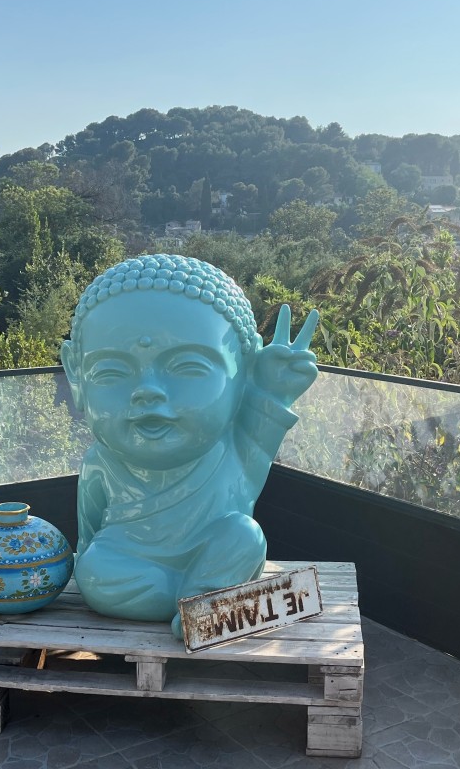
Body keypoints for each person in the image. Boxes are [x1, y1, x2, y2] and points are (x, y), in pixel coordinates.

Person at [61, 254, 318, 636]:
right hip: (127, 559)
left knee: (244, 536)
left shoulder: (232, 448)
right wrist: (85, 567)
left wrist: (271, 393)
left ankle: (202, 601)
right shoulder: (100, 461)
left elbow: (264, 428)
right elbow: (87, 533)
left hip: (209, 551)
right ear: (76, 375)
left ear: (242, 374)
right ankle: (208, 607)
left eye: (188, 367)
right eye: (111, 371)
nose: (147, 391)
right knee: (96, 568)